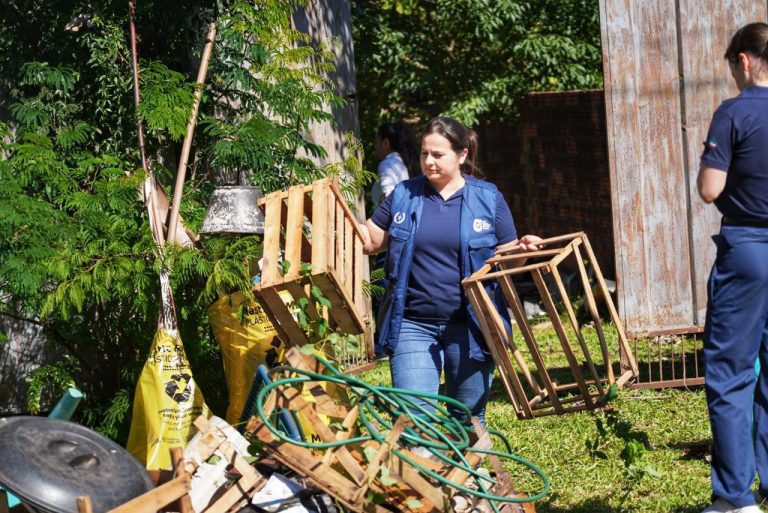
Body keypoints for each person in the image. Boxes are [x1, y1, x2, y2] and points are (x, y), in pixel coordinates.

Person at [359, 116, 540, 425]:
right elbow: (372, 240)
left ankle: (470, 473)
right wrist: (339, 226)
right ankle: (424, 472)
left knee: (466, 418)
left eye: (438, 155)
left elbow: (505, 261)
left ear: (462, 154)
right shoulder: (404, 195)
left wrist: (522, 251)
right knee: (413, 417)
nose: (429, 162)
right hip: (412, 324)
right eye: (424, 153)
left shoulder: (488, 198)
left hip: (471, 325)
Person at [697, 22, 768, 513]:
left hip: (748, 250)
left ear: (744, 60)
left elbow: (710, 189)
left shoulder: (734, 112)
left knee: (730, 373)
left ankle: (735, 499)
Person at [370, 121, 419, 205]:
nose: (375, 146)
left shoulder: (387, 165)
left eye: (376, 142)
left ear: (385, 143)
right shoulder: (407, 162)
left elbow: (388, 197)